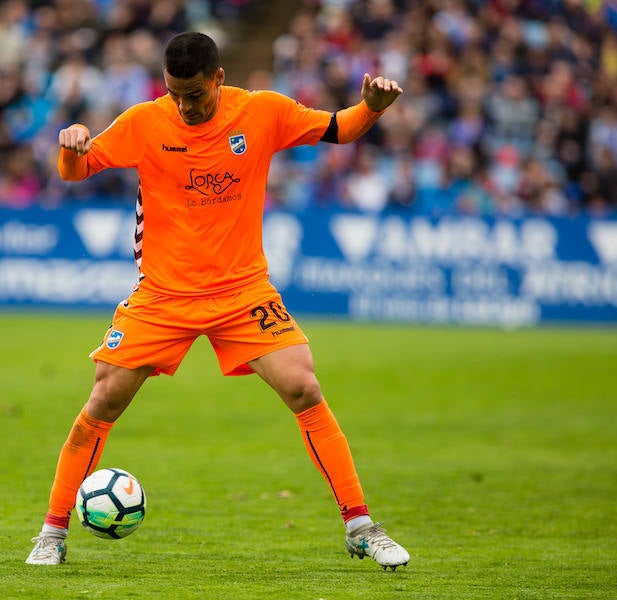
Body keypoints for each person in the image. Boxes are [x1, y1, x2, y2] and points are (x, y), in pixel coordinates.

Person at [26, 31, 409, 570]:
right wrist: (70, 147)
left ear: (219, 79)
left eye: (195, 94)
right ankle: (52, 532)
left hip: (241, 291)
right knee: (104, 399)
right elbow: (75, 172)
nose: (184, 105)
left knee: (304, 385)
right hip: (163, 294)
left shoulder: (263, 112)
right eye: (174, 93)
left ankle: (361, 526)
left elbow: (339, 128)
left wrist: (370, 108)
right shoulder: (144, 122)